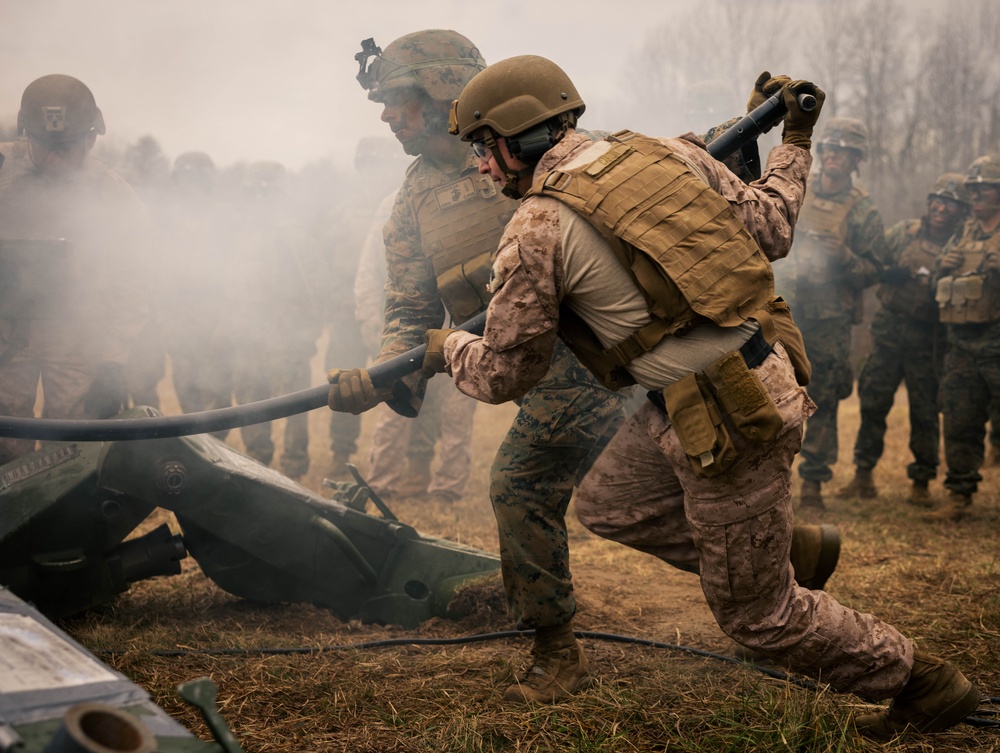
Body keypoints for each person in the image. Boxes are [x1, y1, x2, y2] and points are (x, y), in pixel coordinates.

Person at [437, 54, 979, 737]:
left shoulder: (535, 229)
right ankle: (766, 550)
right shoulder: (662, 152)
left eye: (486, 150)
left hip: (731, 421)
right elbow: (774, 223)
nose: (484, 168)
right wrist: (796, 145)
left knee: (759, 616)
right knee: (607, 499)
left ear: (518, 139)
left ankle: (921, 681)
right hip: (726, 387)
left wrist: (446, 347)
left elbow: (502, 374)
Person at [327, 30, 633, 702]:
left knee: (529, 486)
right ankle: (778, 557)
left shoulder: (524, 150)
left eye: (395, 101)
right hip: (533, 370)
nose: (385, 116)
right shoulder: (412, 200)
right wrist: (379, 375)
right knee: (637, 499)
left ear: (439, 93)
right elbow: (409, 309)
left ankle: (558, 652)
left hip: (608, 351)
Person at [0, 74, 152, 464]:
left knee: (70, 454)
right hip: (3, 336)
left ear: (90, 139)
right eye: (44, 146)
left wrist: (115, 360)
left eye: (66, 147)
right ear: (25, 136)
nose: (55, 159)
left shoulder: (113, 196)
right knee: (3, 442)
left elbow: (135, 280)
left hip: (78, 338)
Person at [772, 117, 891, 510]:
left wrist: (842, 257)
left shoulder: (863, 210)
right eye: (832, 148)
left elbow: (875, 271)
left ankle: (813, 486)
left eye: (845, 151)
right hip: (783, 310)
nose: (836, 156)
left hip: (828, 322)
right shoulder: (798, 192)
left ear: (856, 159)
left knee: (821, 399)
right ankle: (770, 484)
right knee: (770, 394)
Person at [838, 173, 970, 506]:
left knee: (925, 412)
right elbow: (874, 262)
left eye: (950, 204)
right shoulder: (904, 233)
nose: (941, 208)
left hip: (929, 338)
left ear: (960, 211)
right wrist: (887, 272)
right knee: (872, 402)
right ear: (929, 204)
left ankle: (921, 483)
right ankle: (863, 475)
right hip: (888, 331)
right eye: (937, 201)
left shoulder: (961, 246)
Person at [229, 160, 325, 480]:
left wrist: (303, 333)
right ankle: (258, 463)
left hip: (287, 338)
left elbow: (316, 288)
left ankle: (294, 467)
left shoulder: (295, 237)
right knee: (250, 402)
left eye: (265, 191)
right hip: (248, 335)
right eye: (253, 191)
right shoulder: (240, 235)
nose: (259, 199)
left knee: (293, 405)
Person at [928, 154, 1000, 521]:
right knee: (958, 419)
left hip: (996, 342)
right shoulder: (965, 231)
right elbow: (935, 282)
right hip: (961, 344)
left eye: (984, 189)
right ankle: (959, 494)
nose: (976, 196)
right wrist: (945, 265)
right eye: (973, 190)